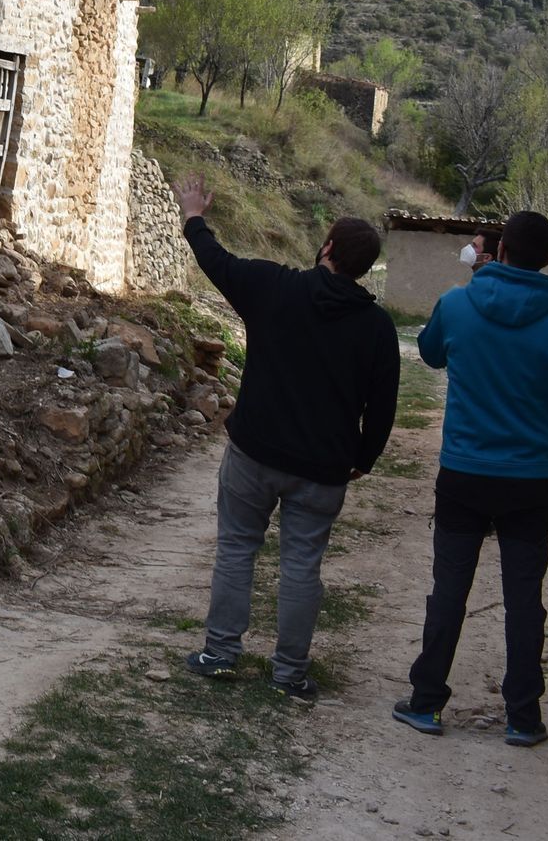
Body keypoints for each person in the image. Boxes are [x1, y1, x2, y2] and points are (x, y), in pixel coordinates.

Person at [174, 173, 400, 701]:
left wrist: (193, 216)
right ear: (365, 268)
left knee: (236, 550)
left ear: (326, 249)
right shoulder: (377, 328)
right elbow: (383, 407)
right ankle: (289, 673)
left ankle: (221, 654)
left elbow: (216, 262)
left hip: (254, 452)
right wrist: (363, 459)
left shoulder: (275, 287)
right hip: (323, 468)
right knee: (302, 566)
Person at [393, 210, 548, 747]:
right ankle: (523, 717)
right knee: (524, 599)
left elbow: (432, 354)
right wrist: (534, 404)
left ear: (498, 250)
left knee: (449, 592)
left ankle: (427, 703)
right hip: (529, 481)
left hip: (464, 472)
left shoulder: (459, 304)